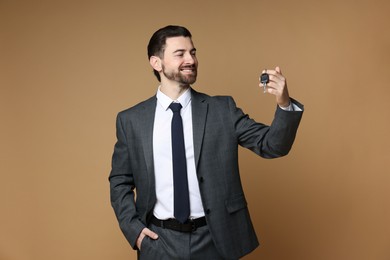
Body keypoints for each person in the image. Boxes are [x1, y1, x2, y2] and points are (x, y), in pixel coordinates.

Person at [109, 25, 303, 260]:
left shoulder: (222, 110)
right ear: (156, 63)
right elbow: (120, 180)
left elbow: (272, 145)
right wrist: (135, 232)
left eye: (193, 52)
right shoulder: (131, 120)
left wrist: (283, 103)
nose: (190, 59)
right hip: (158, 243)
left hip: (213, 241)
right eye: (180, 54)